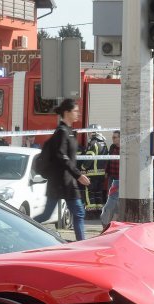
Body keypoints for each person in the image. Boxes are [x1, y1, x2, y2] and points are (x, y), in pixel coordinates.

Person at [33, 98, 90, 241]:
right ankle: (81, 246)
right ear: (67, 112)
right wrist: (78, 175)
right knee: (77, 213)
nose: (78, 113)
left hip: (64, 181)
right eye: (75, 111)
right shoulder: (62, 132)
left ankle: (25, 228)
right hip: (63, 181)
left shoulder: (69, 131)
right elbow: (61, 155)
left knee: (70, 213)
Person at [100, 130, 121, 229]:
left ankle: (111, 222)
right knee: (110, 199)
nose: (112, 139)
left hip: (121, 178)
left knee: (116, 201)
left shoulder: (125, 148)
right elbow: (109, 159)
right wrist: (106, 172)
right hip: (112, 177)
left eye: (114, 137)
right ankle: (109, 223)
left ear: (120, 138)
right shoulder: (112, 147)